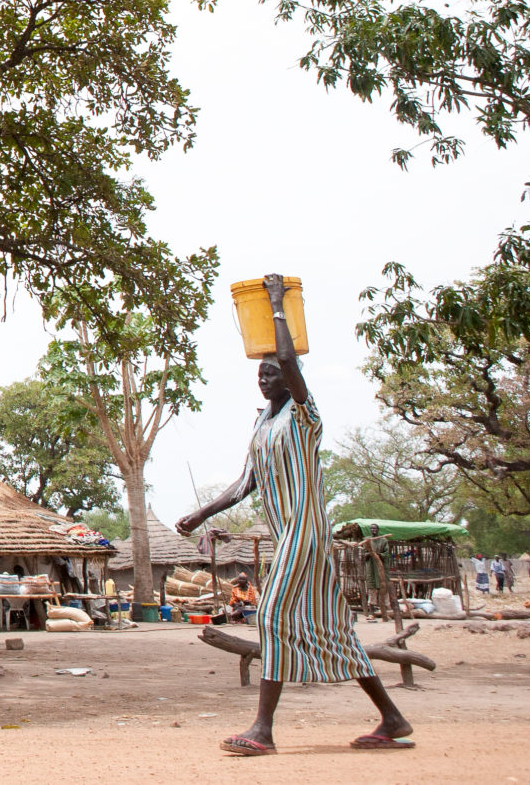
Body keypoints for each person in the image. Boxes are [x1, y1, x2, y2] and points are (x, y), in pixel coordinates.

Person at [175, 275, 413, 756]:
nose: (265, 379)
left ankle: (262, 729)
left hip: (305, 529)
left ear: (292, 379)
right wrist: (201, 513)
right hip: (287, 531)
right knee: (331, 627)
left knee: (271, 613)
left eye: (272, 373)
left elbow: (287, 356)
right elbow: (247, 481)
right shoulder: (262, 422)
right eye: (260, 375)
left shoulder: (305, 416)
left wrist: (277, 304)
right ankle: (392, 718)